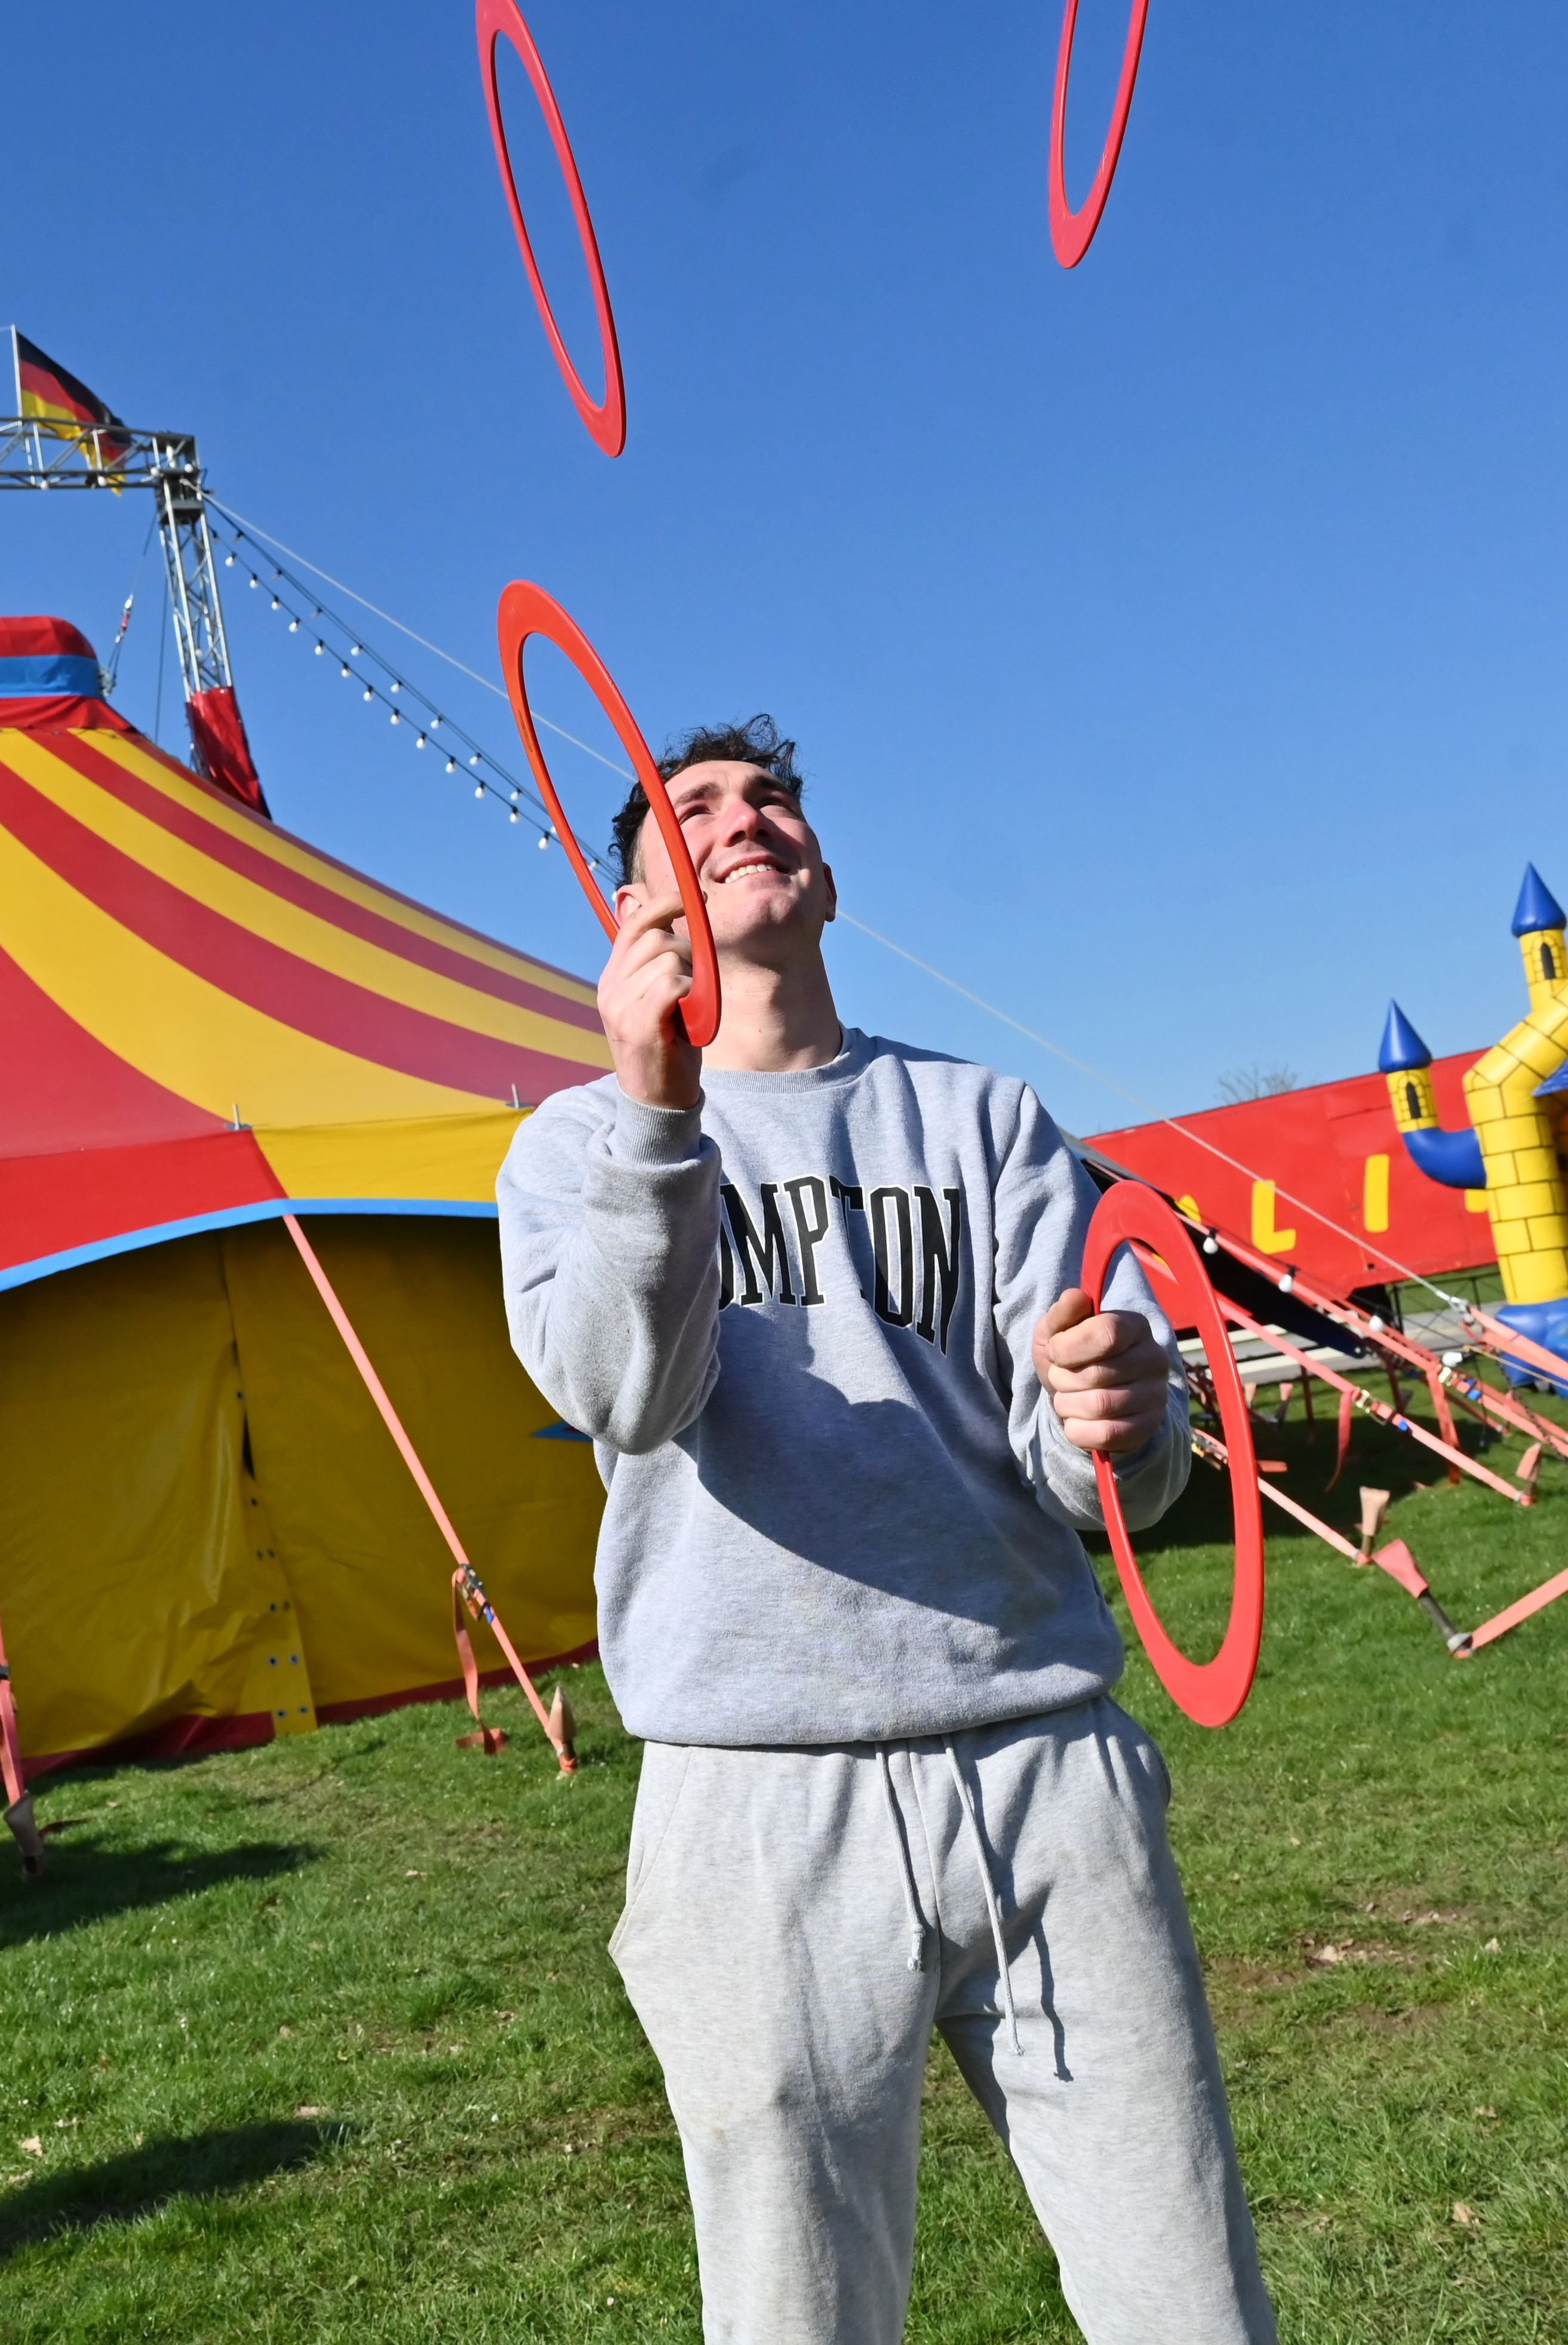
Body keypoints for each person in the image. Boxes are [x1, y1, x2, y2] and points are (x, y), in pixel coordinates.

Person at [497, 717, 1276, 2344]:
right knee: (800, 2318)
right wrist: (658, 1119)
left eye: (771, 796)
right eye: (692, 808)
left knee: (1188, 2296)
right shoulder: (574, 1147)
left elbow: (1107, 1483)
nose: (744, 816)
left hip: (1043, 1759)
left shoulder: (984, 1121)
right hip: (756, 1795)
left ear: (828, 877)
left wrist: (1123, 1419)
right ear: (633, 902)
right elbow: (624, 1396)